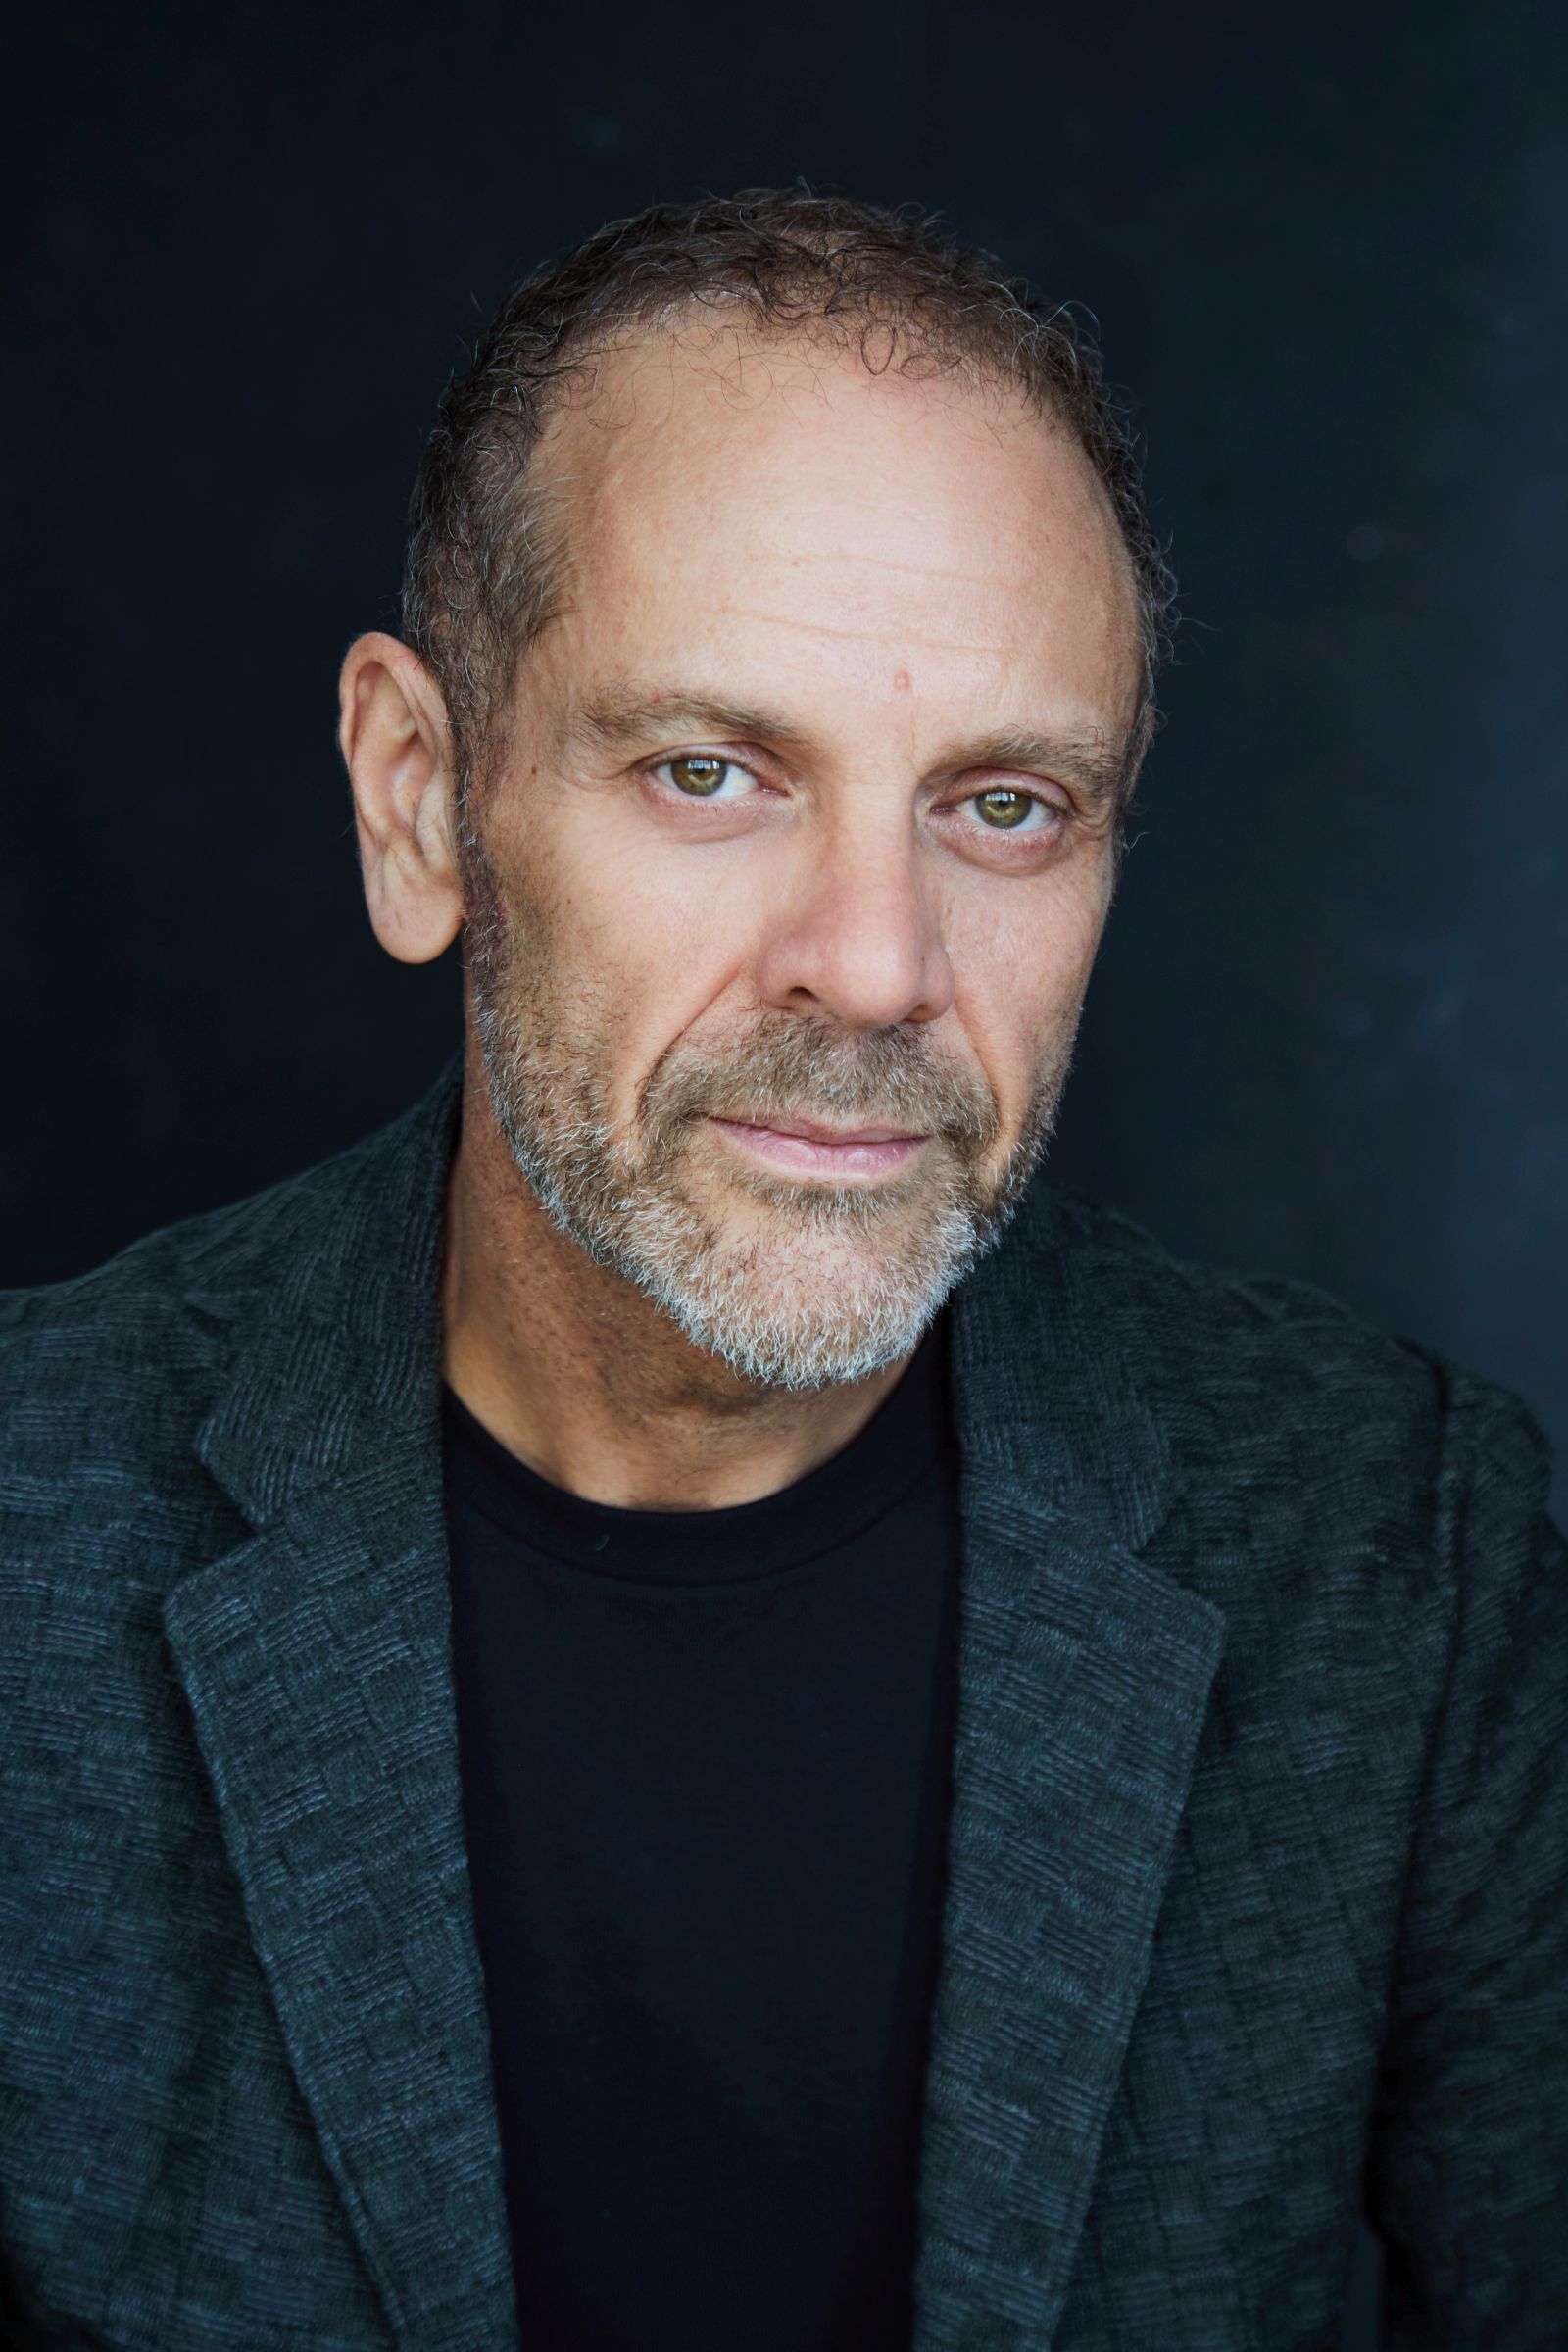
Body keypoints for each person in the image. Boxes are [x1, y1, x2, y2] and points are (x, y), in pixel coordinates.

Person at [1, 189, 1563, 2352]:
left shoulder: (1406, 1557)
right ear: (420, 800)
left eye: (1001, 806)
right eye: (712, 772)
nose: (876, 963)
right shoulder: (23, 1538)